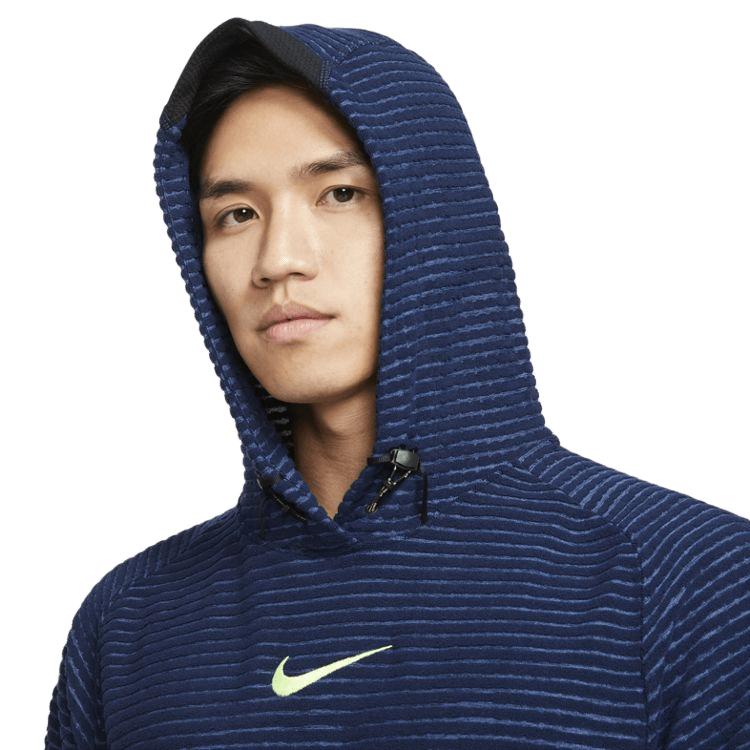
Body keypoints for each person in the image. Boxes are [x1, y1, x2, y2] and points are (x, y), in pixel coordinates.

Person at [44, 17, 750, 749]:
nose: (278, 259)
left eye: (339, 194)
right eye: (237, 214)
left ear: (438, 218)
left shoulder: (697, 585)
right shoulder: (127, 623)